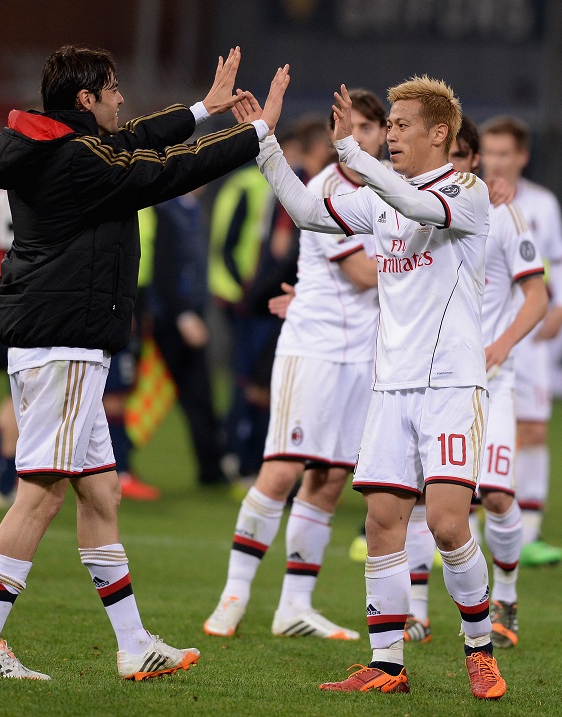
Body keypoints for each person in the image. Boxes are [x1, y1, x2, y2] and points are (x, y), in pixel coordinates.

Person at [0, 44, 288, 682]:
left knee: (100, 492)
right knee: (40, 495)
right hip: (65, 343)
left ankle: (133, 643)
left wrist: (201, 110)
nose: (121, 98)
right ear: (86, 100)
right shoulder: (77, 160)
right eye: (111, 89)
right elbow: (161, 171)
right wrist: (253, 133)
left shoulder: (57, 144)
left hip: (58, 339)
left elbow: (134, 139)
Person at [238, 71, 507, 699]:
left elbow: (416, 205)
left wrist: (351, 153)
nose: (389, 135)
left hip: (449, 386)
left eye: (401, 125)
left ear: (441, 133)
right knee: (383, 523)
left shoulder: (465, 191)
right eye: (386, 125)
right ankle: (386, 666)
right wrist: (263, 140)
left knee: (444, 524)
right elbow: (306, 211)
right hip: (391, 389)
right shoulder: (379, 196)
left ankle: (478, 646)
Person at [204, 90, 384, 640]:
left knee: (329, 479)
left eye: (375, 128)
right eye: (355, 127)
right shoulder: (330, 188)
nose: (372, 138)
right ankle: (232, 598)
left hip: (362, 356)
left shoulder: (387, 196)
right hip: (314, 350)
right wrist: (426, 268)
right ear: (339, 133)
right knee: (282, 470)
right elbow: (363, 275)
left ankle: (295, 607)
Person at [402, 117, 548, 649]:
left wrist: (502, 346)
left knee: (498, 495)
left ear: (473, 162)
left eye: (467, 158)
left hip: (493, 379)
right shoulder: (416, 214)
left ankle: (505, 596)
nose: (459, 167)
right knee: (420, 499)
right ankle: (416, 610)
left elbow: (537, 296)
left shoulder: (504, 215)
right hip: (435, 378)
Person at [480, 116, 562, 566]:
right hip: (482, 334)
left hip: (528, 332)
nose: (496, 161)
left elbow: (561, 257)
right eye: (490, 151)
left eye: (505, 153)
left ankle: (530, 533)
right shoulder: (468, 199)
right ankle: (474, 524)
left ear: (522, 156)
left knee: (533, 427)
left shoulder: (543, 204)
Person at [145, 188, 227, 486]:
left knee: (199, 394)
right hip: (174, 317)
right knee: (192, 393)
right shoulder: (167, 209)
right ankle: (212, 468)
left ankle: (213, 467)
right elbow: (165, 268)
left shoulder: (189, 207)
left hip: (189, 311)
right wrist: (182, 314)